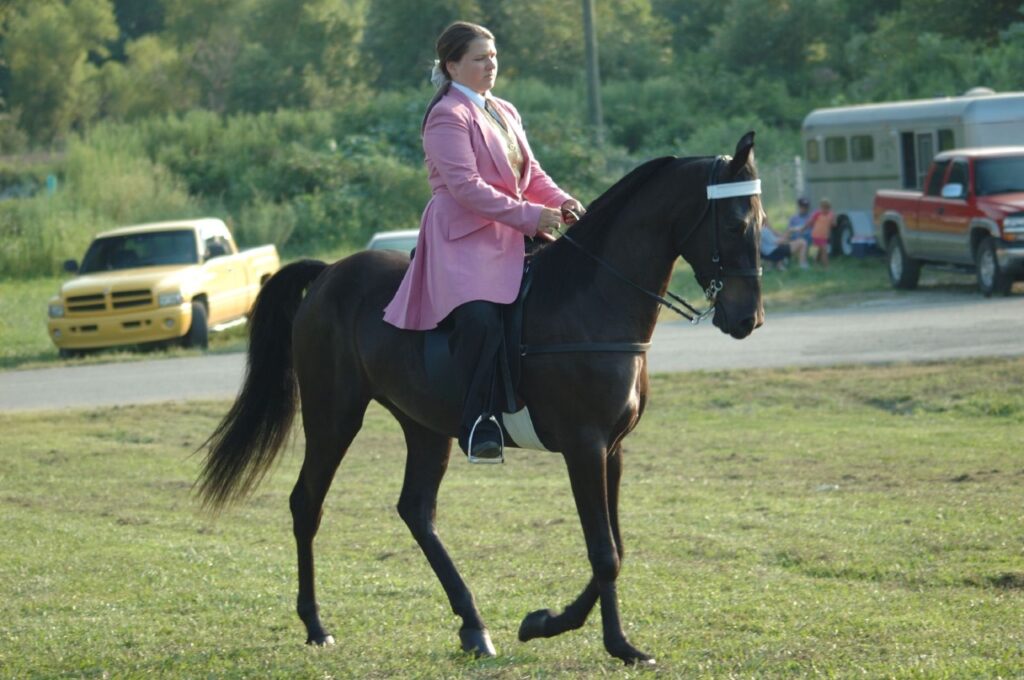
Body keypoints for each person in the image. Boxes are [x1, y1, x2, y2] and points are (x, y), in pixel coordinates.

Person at [382, 22, 584, 461]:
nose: (490, 64)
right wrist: (533, 215)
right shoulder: (446, 115)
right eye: (479, 57)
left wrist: (563, 200)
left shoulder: (505, 110)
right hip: (463, 238)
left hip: (511, 230)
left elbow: (530, 175)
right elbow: (467, 187)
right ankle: (477, 421)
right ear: (452, 65)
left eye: (493, 55)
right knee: (482, 319)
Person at [806, 198, 836, 269]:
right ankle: (815, 263)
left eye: (827, 208)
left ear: (829, 208)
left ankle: (825, 265)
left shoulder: (831, 215)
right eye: (823, 208)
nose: (825, 210)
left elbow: (834, 224)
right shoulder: (817, 213)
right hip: (815, 235)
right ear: (820, 207)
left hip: (824, 236)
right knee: (816, 250)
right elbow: (810, 222)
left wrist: (833, 221)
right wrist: (807, 226)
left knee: (823, 250)